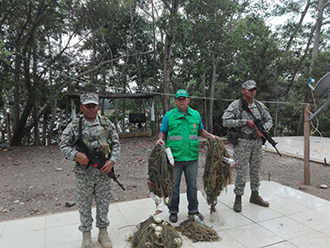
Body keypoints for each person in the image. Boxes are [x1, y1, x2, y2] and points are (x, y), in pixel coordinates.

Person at [59, 93, 120, 248]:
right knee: (84, 205)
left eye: (94, 106)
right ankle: (86, 236)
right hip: (83, 175)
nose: (91, 109)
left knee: (103, 204)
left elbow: (116, 144)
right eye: (88, 106)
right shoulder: (74, 125)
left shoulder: (106, 123)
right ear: (82, 107)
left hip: (103, 172)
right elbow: (63, 145)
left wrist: (112, 161)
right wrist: (76, 154)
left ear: (98, 107)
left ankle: (103, 233)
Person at [156, 89, 216, 223]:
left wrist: (210, 136)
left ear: (188, 100)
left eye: (184, 98)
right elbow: (163, 132)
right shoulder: (169, 116)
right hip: (174, 158)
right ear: (175, 101)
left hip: (192, 157)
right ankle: (173, 211)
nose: (182, 101)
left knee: (192, 186)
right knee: (174, 186)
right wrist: (161, 139)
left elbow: (200, 131)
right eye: (179, 99)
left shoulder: (195, 115)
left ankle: (193, 210)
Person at [222, 80, 273, 213]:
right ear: (243, 91)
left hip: (257, 142)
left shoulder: (259, 106)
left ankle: (255, 195)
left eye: (254, 89)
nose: (252, 91)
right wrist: (245, 122)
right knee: (241, 171)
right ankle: (238, 198)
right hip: (242, 142)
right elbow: (225, 121)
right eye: (249, 89)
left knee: (256, 169)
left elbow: (269, 120)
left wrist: (264, 129)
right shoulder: (236, 105)